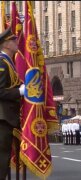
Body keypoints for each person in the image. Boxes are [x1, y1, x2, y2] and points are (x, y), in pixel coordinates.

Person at [0, 26, 25, 180]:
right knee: (1, 158)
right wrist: (19, 92)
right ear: (6, 44)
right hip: (2, 117)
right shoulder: (2, 63)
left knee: (5, 157)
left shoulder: (8, 62)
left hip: (7, 117)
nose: (16, 42)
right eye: (13, 40)